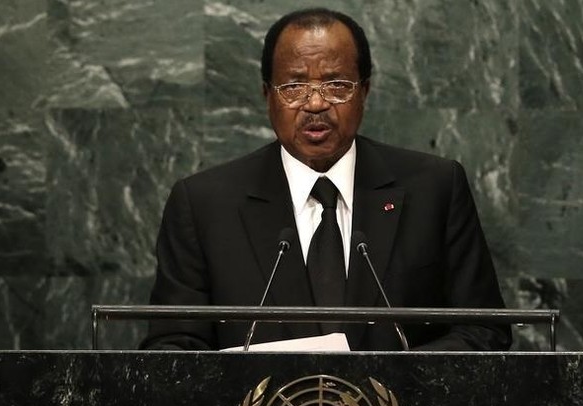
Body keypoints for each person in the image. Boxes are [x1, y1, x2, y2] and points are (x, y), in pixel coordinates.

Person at [140, 8, 511, 351]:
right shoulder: (205, 204)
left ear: (364, 91)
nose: (315, 104)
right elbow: (173, 346)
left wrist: (393, 384)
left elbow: (483, 329)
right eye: (294, 87)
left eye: (336, 85)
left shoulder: (434, 188)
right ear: (266, 95)